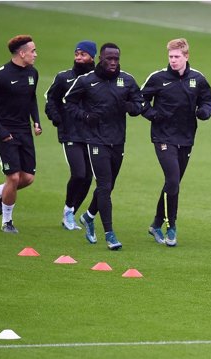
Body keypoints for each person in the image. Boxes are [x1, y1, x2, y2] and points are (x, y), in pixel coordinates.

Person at [63, 42, 145, 250]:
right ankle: (109, 234)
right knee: (104, 187)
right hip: (95, 141)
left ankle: (89, 216)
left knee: (108, 187)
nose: (113, 62)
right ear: (100, 58)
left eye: (116, 59)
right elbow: (68, 102)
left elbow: (139, 103)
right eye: (109, 58)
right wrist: (85, 116)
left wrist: (129, 107)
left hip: (118, 141)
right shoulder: (87, 81)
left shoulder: (126, 80)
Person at [141, 38, 211, 247]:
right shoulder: (158, 78)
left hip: (186, 138)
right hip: (163, 137)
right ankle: (170, 226)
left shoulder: (198, 79)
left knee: (172, 183)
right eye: (170, 57)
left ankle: (155, 223)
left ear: (186, 56)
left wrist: (204, 112)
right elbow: (138, 99)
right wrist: (152, 114)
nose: (173, 60)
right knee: (172, 180)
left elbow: (207, 100)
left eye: (177, 57)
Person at [0, 35, 41, 233]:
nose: (35, 55)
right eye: (32, 51)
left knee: (28, 178)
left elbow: (31, 99)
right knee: (13, 178)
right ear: (21, 53)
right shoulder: (1, 74)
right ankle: (7, 222)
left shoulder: (33, 73)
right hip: (5, 133)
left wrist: (36, 121)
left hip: (25, 132)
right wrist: (0, 130)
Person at [44, 40, 97, 231]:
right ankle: (68, 211)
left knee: (88, 178)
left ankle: (71, 214)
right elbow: (51, 99)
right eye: (76, 54)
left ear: (92, 57)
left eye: (83, 54)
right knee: (79, 174)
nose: (78, 57)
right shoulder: (63, 77)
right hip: (71, 134)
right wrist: (56, 118)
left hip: (92, 135)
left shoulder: (96, 79)